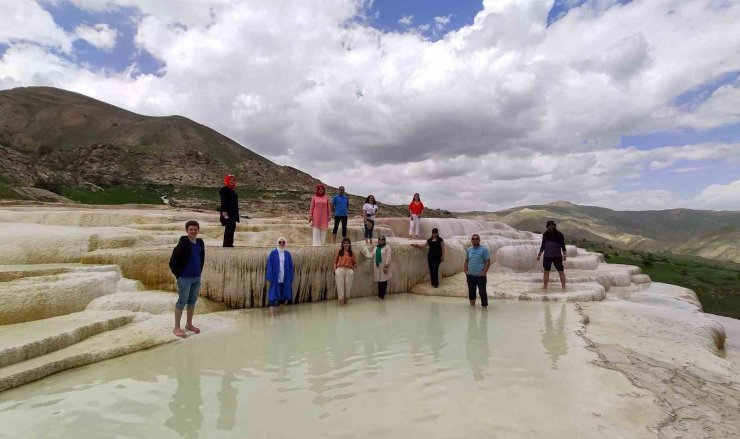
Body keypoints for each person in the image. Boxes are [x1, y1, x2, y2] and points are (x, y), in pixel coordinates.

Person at [168, 220, 205, 338]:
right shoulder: (183, 243)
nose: (193, 231)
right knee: (182, 302)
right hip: (184, 278)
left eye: (195, 229)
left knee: (192, 301)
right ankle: (176, 328)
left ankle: (189, 324)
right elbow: (173, 260)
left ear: (198, 230)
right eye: (191, 229)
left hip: (196, 277)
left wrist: (199, 272)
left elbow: (201, 257)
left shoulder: (200, 242)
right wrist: (178, 274)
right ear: (187, 231)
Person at [265, 236, 294, 317]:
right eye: (280, 242)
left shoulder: (287, 253)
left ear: (285, 244)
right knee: (273, 295)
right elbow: (270, 265)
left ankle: (281, 313)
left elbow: (291, 266)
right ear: (277, 243)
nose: (282, 244)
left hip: (285, 278)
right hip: (275, 278)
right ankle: (272, 314)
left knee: (284, 295)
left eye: (283, 242)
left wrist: (291, 277)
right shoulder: (273, 253)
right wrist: (270, 277)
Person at [536, 220, 567, 291]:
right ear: (547, 227)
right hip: (547, 256)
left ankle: (563, 287)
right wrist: (539, 255)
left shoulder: (559, 234)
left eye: (552, 226)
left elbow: (563, 245)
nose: (551, 227)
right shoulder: (545, 235)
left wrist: (564, 254)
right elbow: (543, 246)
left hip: (557, 255)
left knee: (561, 271)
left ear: (554, 226)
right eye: (549, 226)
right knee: (546, 271)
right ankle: (545, 286)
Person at [464, 234, 490, 308]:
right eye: (473, 239)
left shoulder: (484, 249)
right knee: (471, 292)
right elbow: (466, 260)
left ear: (479, 240)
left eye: (476, 238)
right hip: (470, 275)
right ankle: (472, 308)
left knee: (482, 292)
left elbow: (487, 261)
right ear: (471, 240)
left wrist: (484, 272)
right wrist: (465, 270)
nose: (475, 240)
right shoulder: (469, 250)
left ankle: (484, 308)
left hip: (480, 276)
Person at [362, 235, 392, 300]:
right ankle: (380, 296)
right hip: (377, 266)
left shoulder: (387, 247)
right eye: (380, 239)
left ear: (384, 240)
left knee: (384, 282)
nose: (381, 241)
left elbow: (388, 258)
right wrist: (364, 255)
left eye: (382, 239)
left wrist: (386, 266)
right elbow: (371, 255)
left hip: (384, 266)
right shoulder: (376, 247)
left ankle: (382, 296)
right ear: (378, 240)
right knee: (379, 281)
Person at [334, 237, 357, 305]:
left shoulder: (351, 253)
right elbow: (335, 261)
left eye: (347, 243)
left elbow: (354, 262)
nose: (346, 244)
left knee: (348, 287)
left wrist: (353, 269)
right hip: (340, 270)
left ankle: (346, 304)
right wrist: (335, 270)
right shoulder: (339, 251)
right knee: (340, 287)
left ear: (349, 244)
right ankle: (342, 306)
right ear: (342, 244)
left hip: (349, 270)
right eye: (344, 243)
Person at [219, 175, 240, 247]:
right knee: (229, 228)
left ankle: (230, 243)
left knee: (232, 227)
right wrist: (224, 213)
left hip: (233, 212)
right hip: (227, 212)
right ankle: (226, 244)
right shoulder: (224, 189)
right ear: (227, 181)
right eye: (230, 180)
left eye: (233, 180)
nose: (232, 181)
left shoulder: (232, 190)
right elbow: (223, 201)